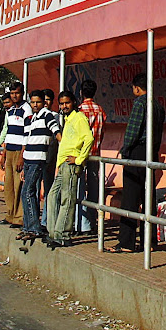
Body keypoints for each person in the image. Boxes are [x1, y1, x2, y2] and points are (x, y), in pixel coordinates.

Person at [110, 72, 165, 253]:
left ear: (136, 87)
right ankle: (149, 241)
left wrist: (125, 150)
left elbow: (133, 131)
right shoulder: (158, 106)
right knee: (148, 197)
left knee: (130, 199)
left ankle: (126, 242)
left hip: (138, 153)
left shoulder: (140, 103)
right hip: (152, 153)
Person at [45, 90, 93, 248]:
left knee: (67, 199)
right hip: (63, 164)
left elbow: (89, 138)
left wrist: (79, 160)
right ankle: (53, 232)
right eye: (62, 103)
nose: (64, 106)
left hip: (71, 165)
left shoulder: (79, 118)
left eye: (67, 103)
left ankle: (63, 235)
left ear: (74, 102)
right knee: (52, 196)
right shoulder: (67, 119)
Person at [18, 90, 61, 242]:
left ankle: (34, 228)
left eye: (38, 102)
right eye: (33, 102)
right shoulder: (31, 118)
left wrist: (64, 149)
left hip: (38, 159)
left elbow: (56, 132)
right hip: (28, 159)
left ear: (43, 102)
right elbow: (27, 141)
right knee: (27, 193)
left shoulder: (47, 115)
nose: (35, 105)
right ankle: (28, 227)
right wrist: (22, 163)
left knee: (27, 191)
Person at [0, 82, 32, 228]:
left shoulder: (26, 109)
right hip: (9, 149)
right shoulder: (10, 110)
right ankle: (10, 214)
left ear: (22, 93)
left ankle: (19, 217)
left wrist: (22, 156)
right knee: (9, 185)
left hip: (19, 150)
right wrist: (4, 153)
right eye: (12, 93)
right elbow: (9, 132)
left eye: (16, 93)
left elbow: (27, 133)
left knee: (18, 185)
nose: (14, 96)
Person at [77, 79, 107, 234]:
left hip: (81, 154)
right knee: (94, 188)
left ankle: (83, 223)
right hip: (95, 153)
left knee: (80, 188)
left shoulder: (80, 110)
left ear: (82, 92)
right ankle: (93, 219)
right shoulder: (100, 110)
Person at [41, 88, 59, 230]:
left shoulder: (55, 117)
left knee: (48, 190)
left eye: (48, 99)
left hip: (49, 158)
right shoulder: (36, 116)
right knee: (33, 190)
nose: (45, 102)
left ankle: (46, 221)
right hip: (36, 157)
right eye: (44, 99)